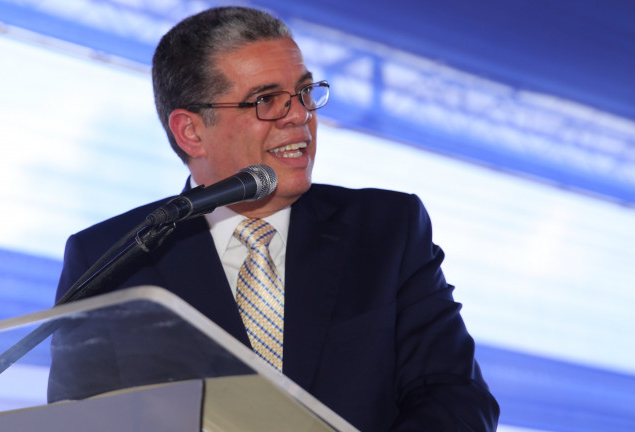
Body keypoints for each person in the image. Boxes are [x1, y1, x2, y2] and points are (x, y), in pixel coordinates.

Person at [48, 6, 499, 431]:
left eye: (304, 93)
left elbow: (455, 396)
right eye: (266, 100)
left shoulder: (386, 230)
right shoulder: (113, 257)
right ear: (191, 131)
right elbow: (81, 421)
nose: (300, 116)